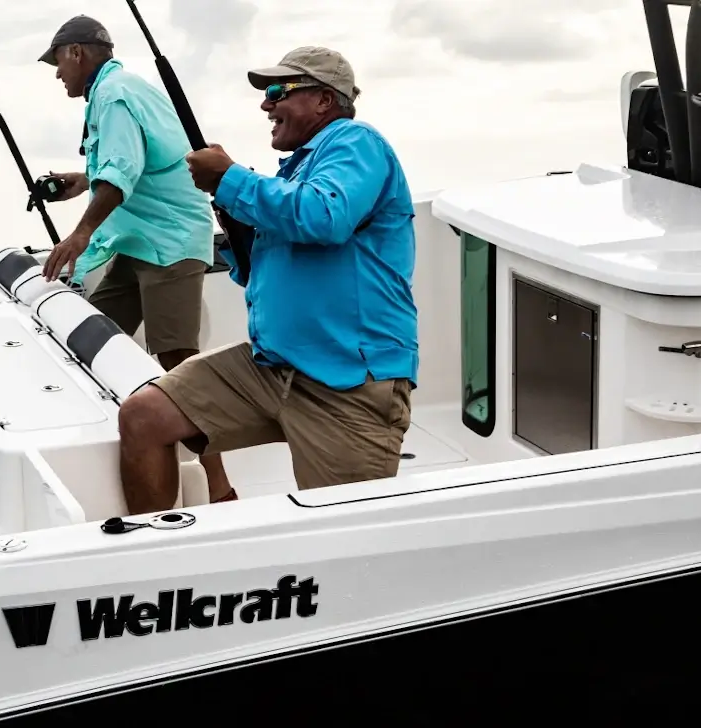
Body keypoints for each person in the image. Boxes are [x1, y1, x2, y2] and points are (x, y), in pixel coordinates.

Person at [115, 45, 419, 514]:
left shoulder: (356, 142)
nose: (266, 104)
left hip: (347, 383)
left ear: (324, 100)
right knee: (144, 417)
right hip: (272, 366)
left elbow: (325, 217)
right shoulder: (296, 171)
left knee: (342, 532)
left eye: (278, 91)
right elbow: (269, 268)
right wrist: (239, 224)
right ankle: (154, 551)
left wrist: (230, 180)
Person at [33, 15, 217, 379]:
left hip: (170, 242)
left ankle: (204, 418)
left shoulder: (113, 93)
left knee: (176, 358)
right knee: (90, 341)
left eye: (58, 61)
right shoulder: (120, 87)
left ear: (76, 52)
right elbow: (141, 160)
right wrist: (84, 180)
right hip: (138, 243)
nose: (58, 73)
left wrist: (80, 234)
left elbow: (121, 172)